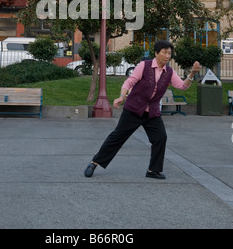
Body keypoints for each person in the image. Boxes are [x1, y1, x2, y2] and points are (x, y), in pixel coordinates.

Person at [84, 40, 201, 180]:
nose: (167, 56)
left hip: (151, 112)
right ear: (156, 53)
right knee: (117, 137)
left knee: (160, 137)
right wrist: (121, 96)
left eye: (169, 53)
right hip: (134, 109)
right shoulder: (144, 66)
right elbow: (129, 82)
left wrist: (192, 73)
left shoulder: (169, 72)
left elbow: (182, 86)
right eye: (164, 52)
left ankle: (153, 170)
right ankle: (94, 162)